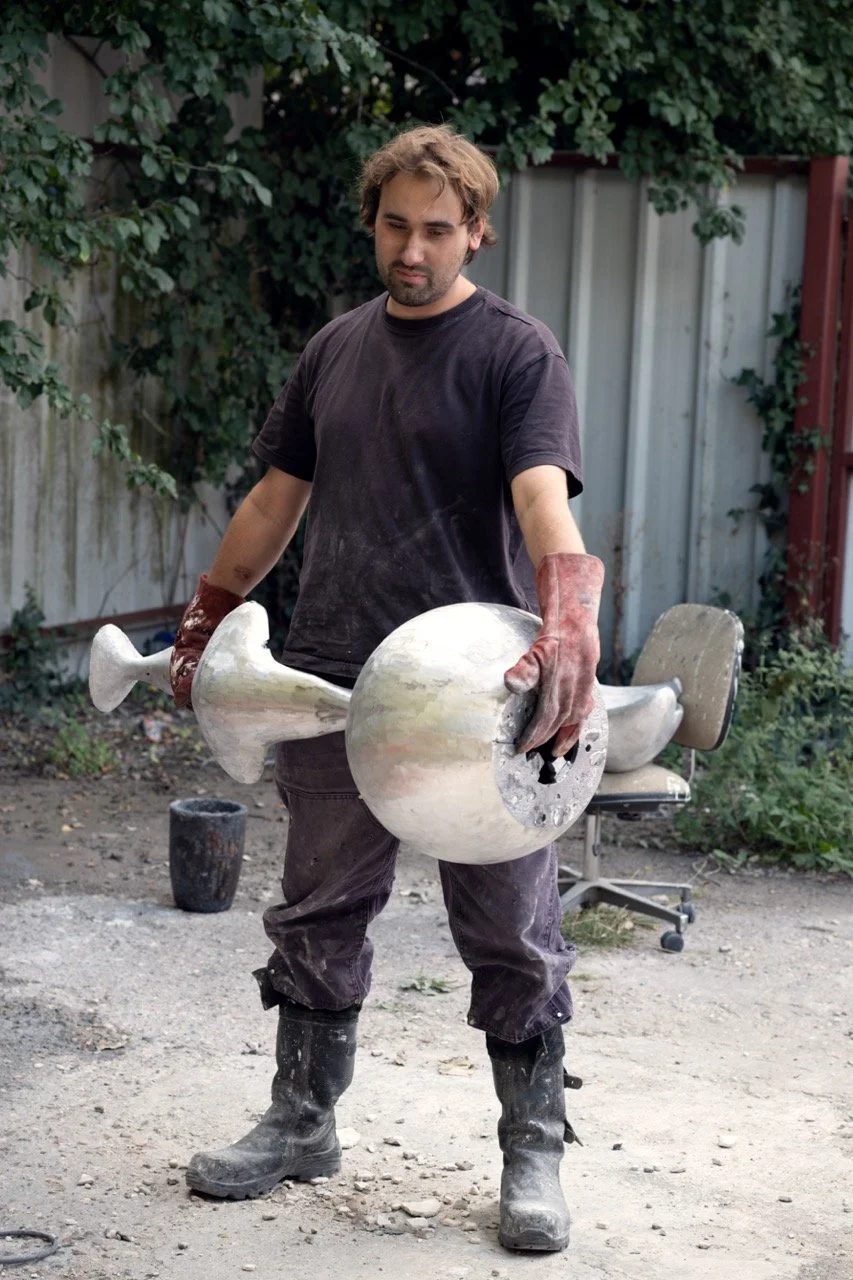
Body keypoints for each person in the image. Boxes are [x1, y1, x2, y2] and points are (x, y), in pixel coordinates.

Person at [169, 124, 604, 1254]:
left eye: (436, 230)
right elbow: (274, 501)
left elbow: (540, 494)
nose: (412, 250)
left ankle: (533, 1152)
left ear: (476, 231)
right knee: (317, 908)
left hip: (482, 699)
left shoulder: (516, 351)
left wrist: (568, 613)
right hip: (333, 677)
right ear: (373, 223)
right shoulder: (336, 349)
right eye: (395, 226)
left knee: (511, 931)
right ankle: (302, 1119)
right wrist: (211, 614)